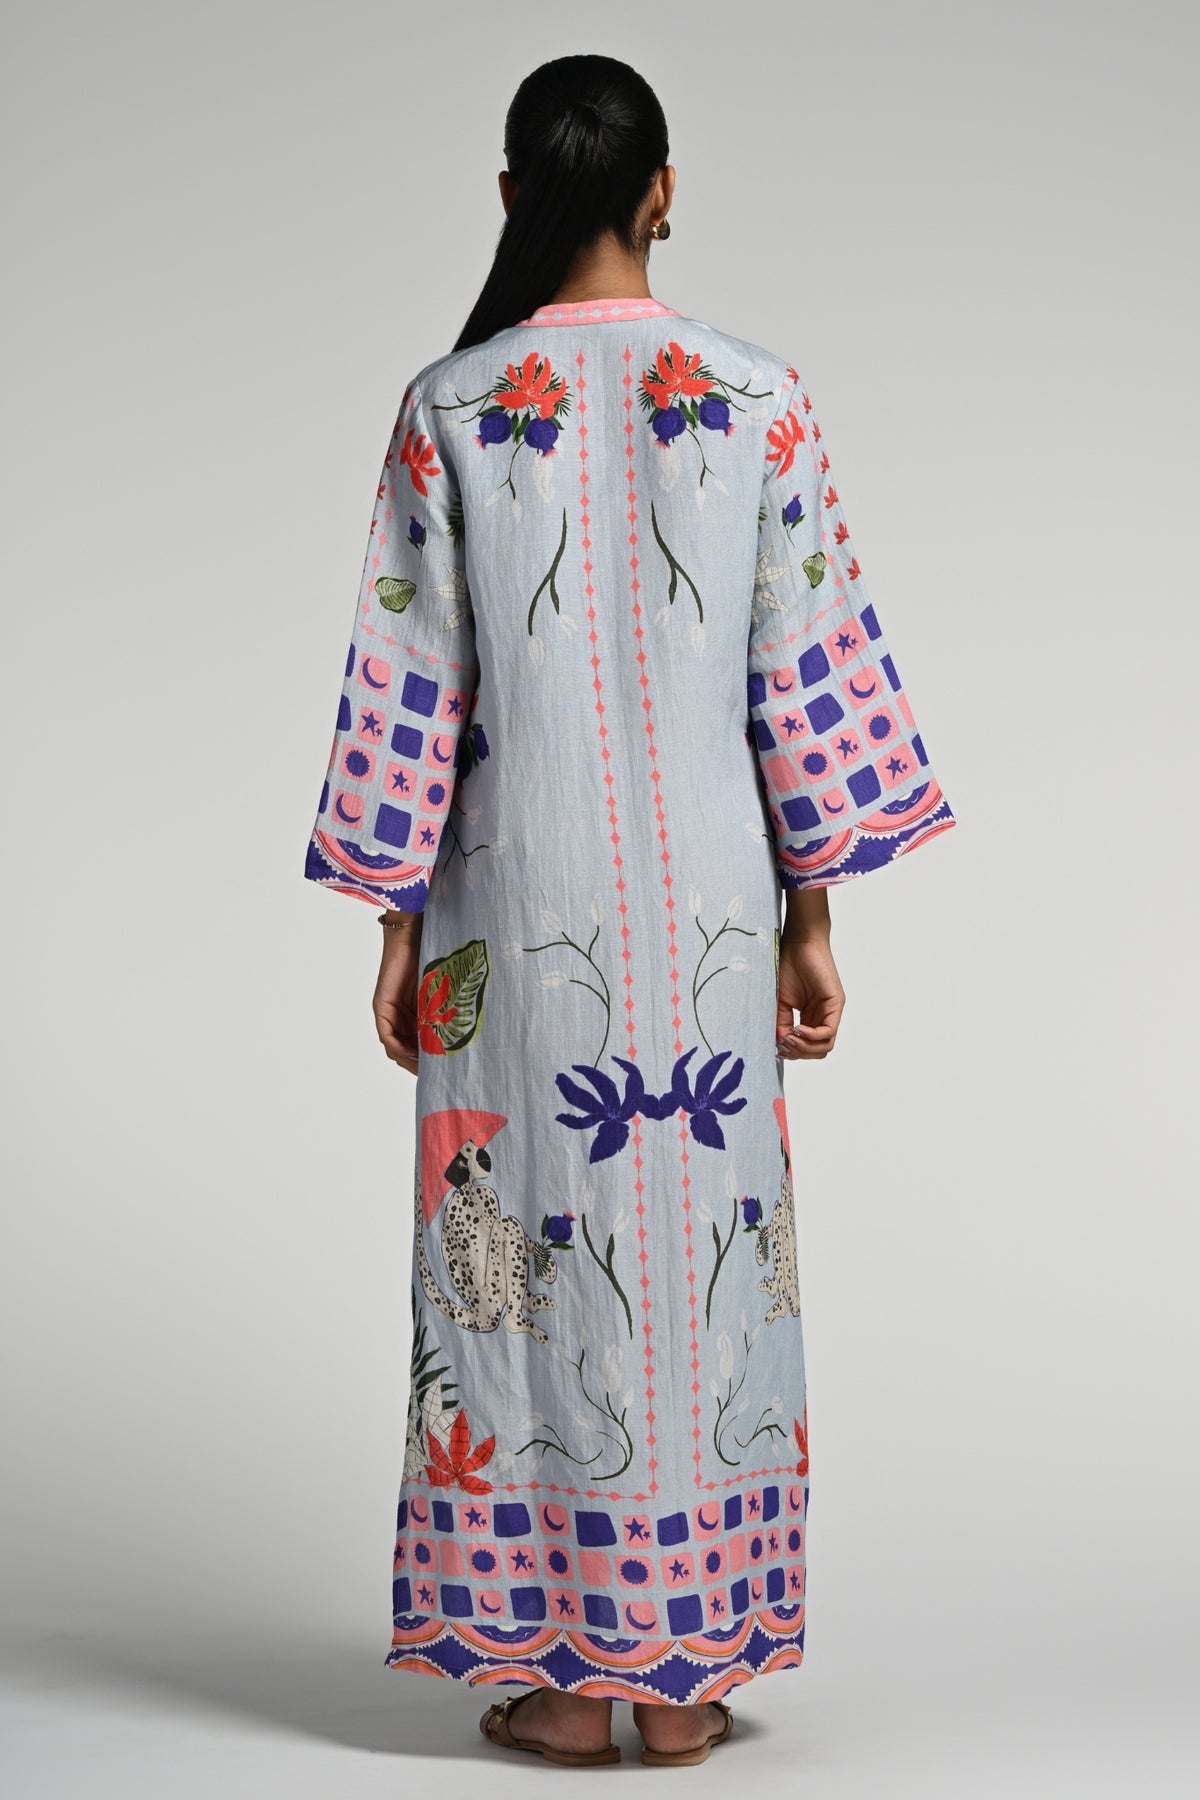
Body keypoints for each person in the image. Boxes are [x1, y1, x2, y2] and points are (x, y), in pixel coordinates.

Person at [303, 52, 956, 1769]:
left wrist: (393, 929)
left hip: (505, 920)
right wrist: (813, 918)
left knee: (516, 1259)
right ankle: (681, 1684)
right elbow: (802, 677)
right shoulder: (758, 396)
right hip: (712, 919)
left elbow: (410, 684)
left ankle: (562, 1681)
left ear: (512, 198)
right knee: (705, 1253)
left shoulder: (452, 404)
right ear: (664, 192)